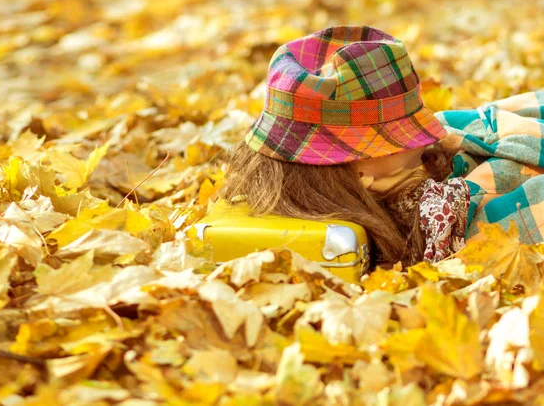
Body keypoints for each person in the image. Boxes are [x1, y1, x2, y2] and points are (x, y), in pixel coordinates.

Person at [221, 25, 544, 267]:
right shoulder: (453, 219)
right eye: (406, 135)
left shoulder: (406, 166)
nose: (428, 137)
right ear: (363, 173)